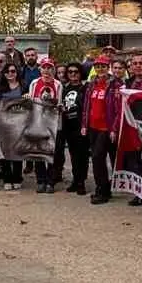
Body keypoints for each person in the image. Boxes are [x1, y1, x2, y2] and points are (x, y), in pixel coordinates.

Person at [81, 57, 125, 202]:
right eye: (98, 66)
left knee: (98, 157)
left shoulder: (116, 85)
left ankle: (104, 191)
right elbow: (87, 106)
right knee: (96, 159)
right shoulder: (91, 84)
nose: (101, 69)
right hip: (92, 126)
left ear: (108, 67)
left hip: (106, 128)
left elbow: (119, 109)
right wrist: (84, 125)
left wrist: (114, 128)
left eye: (103, 66)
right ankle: (102, 187)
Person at [0, 63, 30, 190]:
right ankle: (7, 178)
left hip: (20, 123)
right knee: (5, 151)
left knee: (18, 151)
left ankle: (17, 177)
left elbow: (30, 104)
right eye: (7, 71)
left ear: (17, 72)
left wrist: (28, 97)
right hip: (4, 123)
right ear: (4, 74)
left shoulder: (24, 86)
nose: (10, 74)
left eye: (13, 71)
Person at [27, 58, 62, 193]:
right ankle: (40, 180)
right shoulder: (34, 83)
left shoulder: (58, 84)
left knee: (52, 153)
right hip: (38, 122)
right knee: (38, 153)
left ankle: (51, 181)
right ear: (40, 69)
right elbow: (31, 102)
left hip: (52, 123)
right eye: (44, 67)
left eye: (49, 68)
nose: (46, 70)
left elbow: (59, 103)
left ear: (53, 70)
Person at [54, 63, 87, 193]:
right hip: (67, 125)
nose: (73, 74)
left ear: (80, 73)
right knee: (73, 155)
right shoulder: (64, 88)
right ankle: (75, 180)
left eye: (76, 72)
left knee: (82, 155)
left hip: (80, 125)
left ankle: (81, 182)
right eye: (70, 72)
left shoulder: (85, 88)